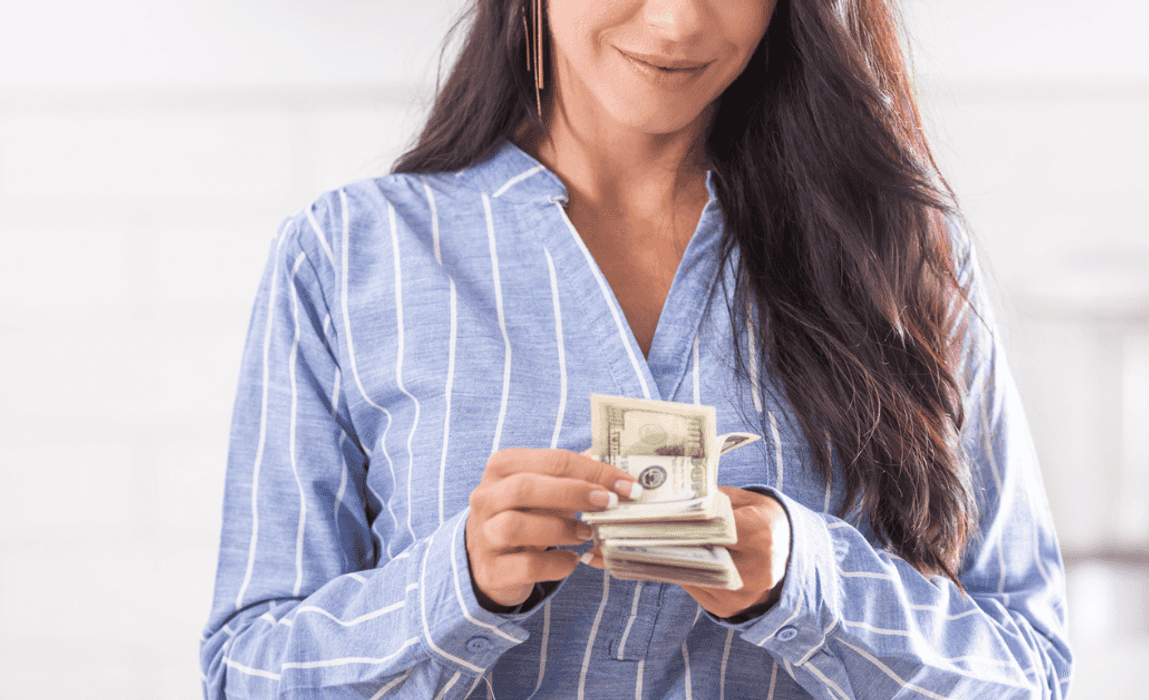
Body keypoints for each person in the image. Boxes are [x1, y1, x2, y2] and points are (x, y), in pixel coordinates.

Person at [200, 0, 1073, 697]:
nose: (677, 22)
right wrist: (456, 585)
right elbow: (248, 673)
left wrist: (803, 580)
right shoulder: (348, 254)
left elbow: (1026, 671)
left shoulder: (901, 257)